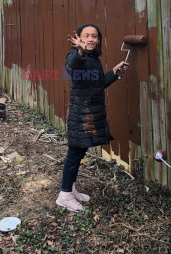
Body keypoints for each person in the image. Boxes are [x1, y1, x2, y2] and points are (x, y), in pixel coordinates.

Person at [56, 23, 129, 212]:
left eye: (94, 36)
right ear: (78, 38)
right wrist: (79, 51)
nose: (90, 39)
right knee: (74, 153)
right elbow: (71, 68)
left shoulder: (94, 58)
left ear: (98, 40)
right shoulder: (75, 55)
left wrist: (114, 72)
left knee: (79, 152)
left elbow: (98, 84)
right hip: (81, 113)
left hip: (91, 111)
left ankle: (70, 189)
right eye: (86, 36)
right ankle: (64, 195)